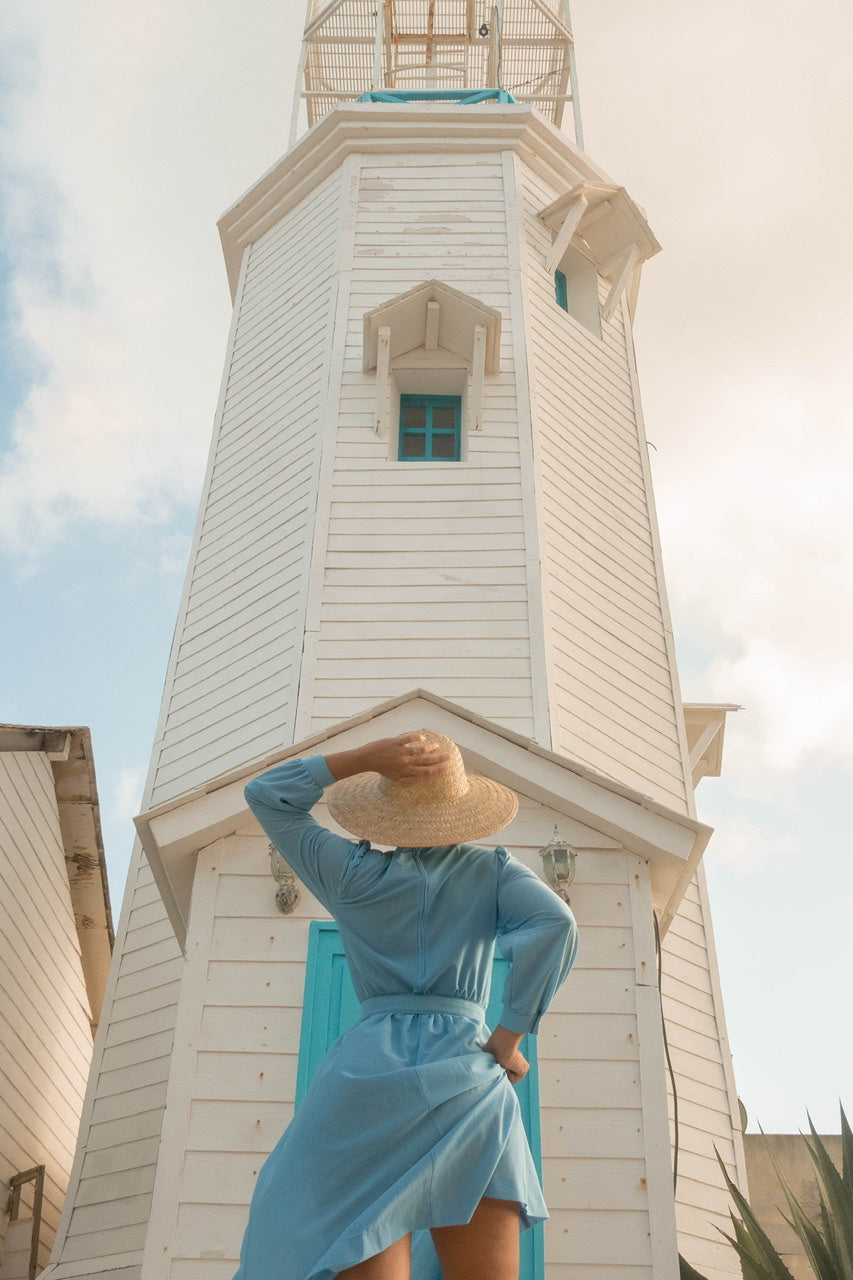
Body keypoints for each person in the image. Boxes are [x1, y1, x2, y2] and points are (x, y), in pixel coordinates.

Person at [233, 730, 578, 1280]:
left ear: (383, 807)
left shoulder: (347, 872)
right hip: (468, 1070)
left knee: (356, 1228)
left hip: (369, 1078)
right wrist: (507, 1039)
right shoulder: (492, 873)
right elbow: (556, 923)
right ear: (462, 807)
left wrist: (362, 758)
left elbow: (267, 794)